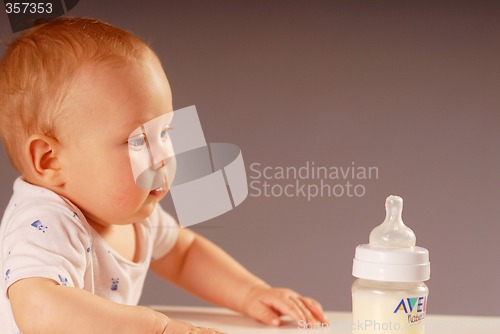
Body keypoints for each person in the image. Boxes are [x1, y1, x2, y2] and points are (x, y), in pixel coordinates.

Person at [0, 17, 327, 334]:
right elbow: (37, 309)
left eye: (166, 132)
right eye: (138, 140)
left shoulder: (131, 210)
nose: (165, 156)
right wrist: (158, 328)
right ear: (50, 160)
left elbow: (182, 254)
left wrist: (251, 294)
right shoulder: (45, 223)